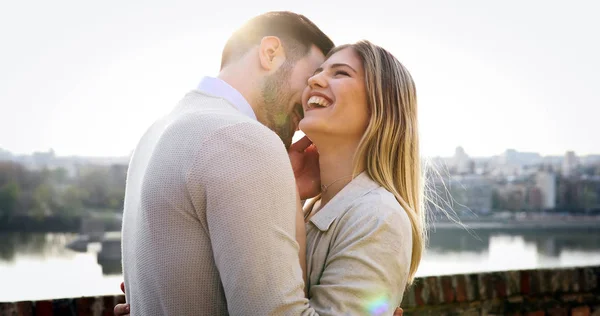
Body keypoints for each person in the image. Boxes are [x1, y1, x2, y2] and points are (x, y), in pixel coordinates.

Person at [116, 37, 423, 316]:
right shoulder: (309, 207)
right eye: (317, 72)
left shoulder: (378, 217)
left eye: (339, 73)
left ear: (382, 105)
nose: (315, 80)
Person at [120, 11, 334, 315]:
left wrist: (286, 194)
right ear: (270, 53)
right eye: (312, 79)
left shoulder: (156, 132)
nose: (311, 101)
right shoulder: (242, 138)